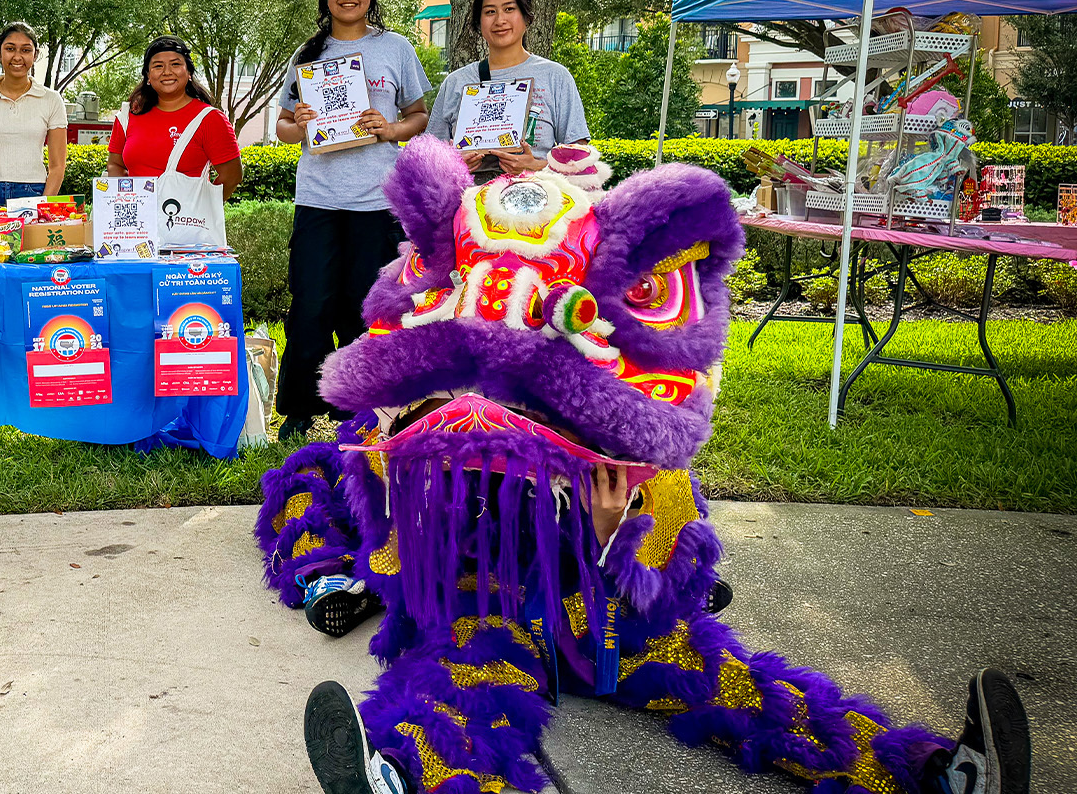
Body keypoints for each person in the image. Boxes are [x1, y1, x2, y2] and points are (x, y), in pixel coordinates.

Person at [254, 137, 1029, 794]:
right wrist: (393, 485)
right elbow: (400, 544)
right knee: (460, 680)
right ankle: (392, 768)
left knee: (736, 684)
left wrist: (610, 530)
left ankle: (942, 772)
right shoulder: (419, 412)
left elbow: (668, 568)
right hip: (483, 604)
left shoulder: (632, 417)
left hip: (604, 619)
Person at [271, 0, 431, 443]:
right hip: (318, 197)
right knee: (311, 302)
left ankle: (367, 407)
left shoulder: (396, 47)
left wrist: (389, 130)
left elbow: (419, 115)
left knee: (368, 306)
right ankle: (300, 407)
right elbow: (281, 125)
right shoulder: (307, 54)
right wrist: (297, 125)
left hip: (376, 199)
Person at [428, 0, 591, 179]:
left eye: (509, 9)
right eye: (490, 12)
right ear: (479, 22)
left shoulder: (556, 77)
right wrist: (454, 166)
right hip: (468, 205)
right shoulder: (456, 82)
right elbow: (428, 159)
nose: (500, 20)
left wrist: (537, 166)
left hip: (539, 202)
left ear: (526, 17)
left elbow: (580, 160)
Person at [106, 35, 243, 200]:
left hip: (188, 223)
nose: (167, 72)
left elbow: (232, 176)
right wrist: (126, 199)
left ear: (189, 72)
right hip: (138, 222)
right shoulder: (129, 115)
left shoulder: (210, 119)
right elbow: (115, 164)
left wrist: (204, 207)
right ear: (148, 76)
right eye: (158, 66)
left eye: (176, 64)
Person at [0, 22, 69, 211]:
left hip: (34, 192)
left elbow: (58, 166)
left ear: (35, 55)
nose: (17, 57)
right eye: (10, 49)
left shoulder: (51, 100)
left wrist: (42, 207)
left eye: (26, 50)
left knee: (31, 243)